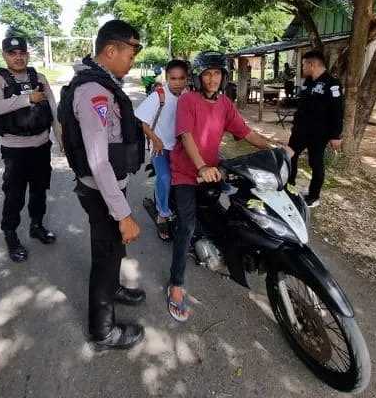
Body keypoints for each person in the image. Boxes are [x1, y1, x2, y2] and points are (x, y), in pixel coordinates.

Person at [167, 51, 281, 322]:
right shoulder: (187, 100)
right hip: (186, 173)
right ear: (198, 77)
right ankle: (176, 284)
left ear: (224, 76)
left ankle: (226, 254)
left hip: (214, 170)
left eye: (217, 73)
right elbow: (185, 136)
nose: (212, 78)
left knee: (235, 211)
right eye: (207, 73)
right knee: (186, 227)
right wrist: (201, 167)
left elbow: (245, 132)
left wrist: (274, 149)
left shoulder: (225, 104)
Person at [57, 20, 147, 351]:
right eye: (131, 52)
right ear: (111, 51)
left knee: (111, 250)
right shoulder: (93, 91)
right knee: (106, 257)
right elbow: (98, 160)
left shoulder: (102, 82)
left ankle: (115, 289)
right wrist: (122, 213)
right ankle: (103, 330)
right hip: (100, 190)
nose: (133, 60)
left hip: (105, 187)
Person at [0, 34, 62, 263]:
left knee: (39, 191)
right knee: (14, 195)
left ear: (28, 54)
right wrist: (27, 98)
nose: (18, 57)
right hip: (15, 151)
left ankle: (36, 226)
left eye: (22, 53)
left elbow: (53, 109)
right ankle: (10, 234)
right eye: (12, 53)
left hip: (41, 146)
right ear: (4, 56)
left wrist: (61, 140)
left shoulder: (39, 77)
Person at [134, 59, 190, 241]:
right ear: (167, 78)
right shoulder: (159, 95)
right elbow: (142, 123)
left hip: (181, 148)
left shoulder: (188, 95)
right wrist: (156, 140)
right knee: (165, 178)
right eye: (173, 78)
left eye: (181, 78)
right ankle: (162, 214)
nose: (178, 82)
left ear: (187, 79)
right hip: (161, 148)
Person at [287, 50, 343, 208]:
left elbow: (337, 111)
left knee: (315, 163)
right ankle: (289, 187)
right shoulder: (309, 82)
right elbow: (302, 107)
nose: (302, 67)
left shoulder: (333, 84)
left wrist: (336, 135)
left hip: (319, 133)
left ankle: (313, 196)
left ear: (312, 64)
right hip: (300, 131)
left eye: (304, 64)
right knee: (290, 156)